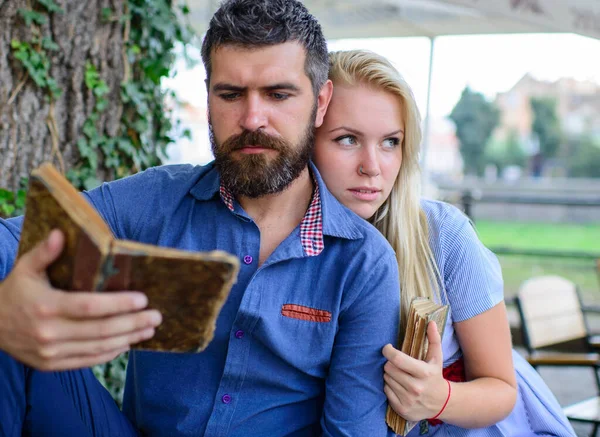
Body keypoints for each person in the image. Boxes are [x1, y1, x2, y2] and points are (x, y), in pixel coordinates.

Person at [0, 3, 401, 436]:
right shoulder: (158, 199)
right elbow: (10, 240)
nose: (251, 119)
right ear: (208, 95)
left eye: (278, 94)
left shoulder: (363, 263)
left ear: (320, 102)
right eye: (230, 95)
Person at [313, 49, 576, 436]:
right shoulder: (286, 241)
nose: (372, 165)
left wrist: (440, 398)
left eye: (390, 142)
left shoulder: (442, 234)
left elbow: (502, 389)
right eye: (348, 139)